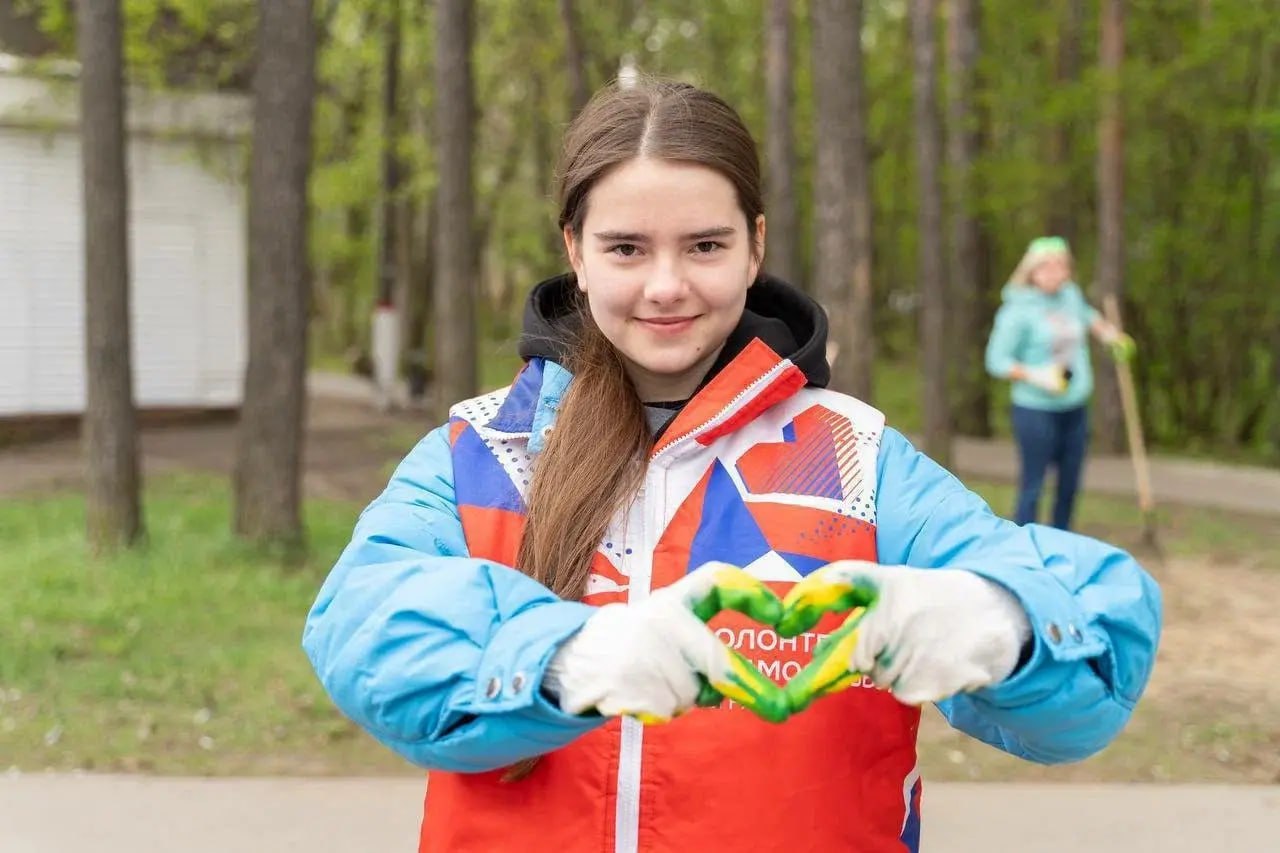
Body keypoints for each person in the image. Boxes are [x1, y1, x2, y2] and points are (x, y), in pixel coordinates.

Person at [304, 80, 1161, 853]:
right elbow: (360, 627)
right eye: (627, 248)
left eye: (705, 246)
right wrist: (566, 655)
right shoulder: (483, 451)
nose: (667, 285)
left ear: (755, 247)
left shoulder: (852, 457)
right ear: (574, 248)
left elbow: (1086, 679)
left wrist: (1004, 623)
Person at [985, 237, 1136, 530]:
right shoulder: (1017, 309)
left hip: (1075, 407)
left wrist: (1109, 335)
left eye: (1060, 265)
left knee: (1069, 485)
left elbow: (1088, 316)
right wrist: (1037, 375)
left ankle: (1062, 544)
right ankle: (1024, 550)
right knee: (1034, 485)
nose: (1054, 272)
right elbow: (996, 361)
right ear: (1031, 271)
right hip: (1035, 410)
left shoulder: (1070, 296)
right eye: (1046, 267)